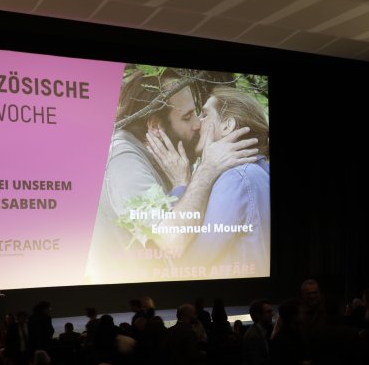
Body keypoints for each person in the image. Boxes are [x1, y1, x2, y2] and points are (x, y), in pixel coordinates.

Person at [85, 68, 260, 282]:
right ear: (156, 126)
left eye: (197, 113)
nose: (197, 124)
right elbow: (172, 241)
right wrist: (206, 170)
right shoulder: (123, 159)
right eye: (187, 117)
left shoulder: (166, 156)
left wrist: (182, 183)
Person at [179, 85, 271, 275]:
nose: (197, 123)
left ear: (227, 126)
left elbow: (193, 261)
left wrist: (179, 186)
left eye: (205, 115)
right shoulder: (259, 172)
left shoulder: (236, 178)